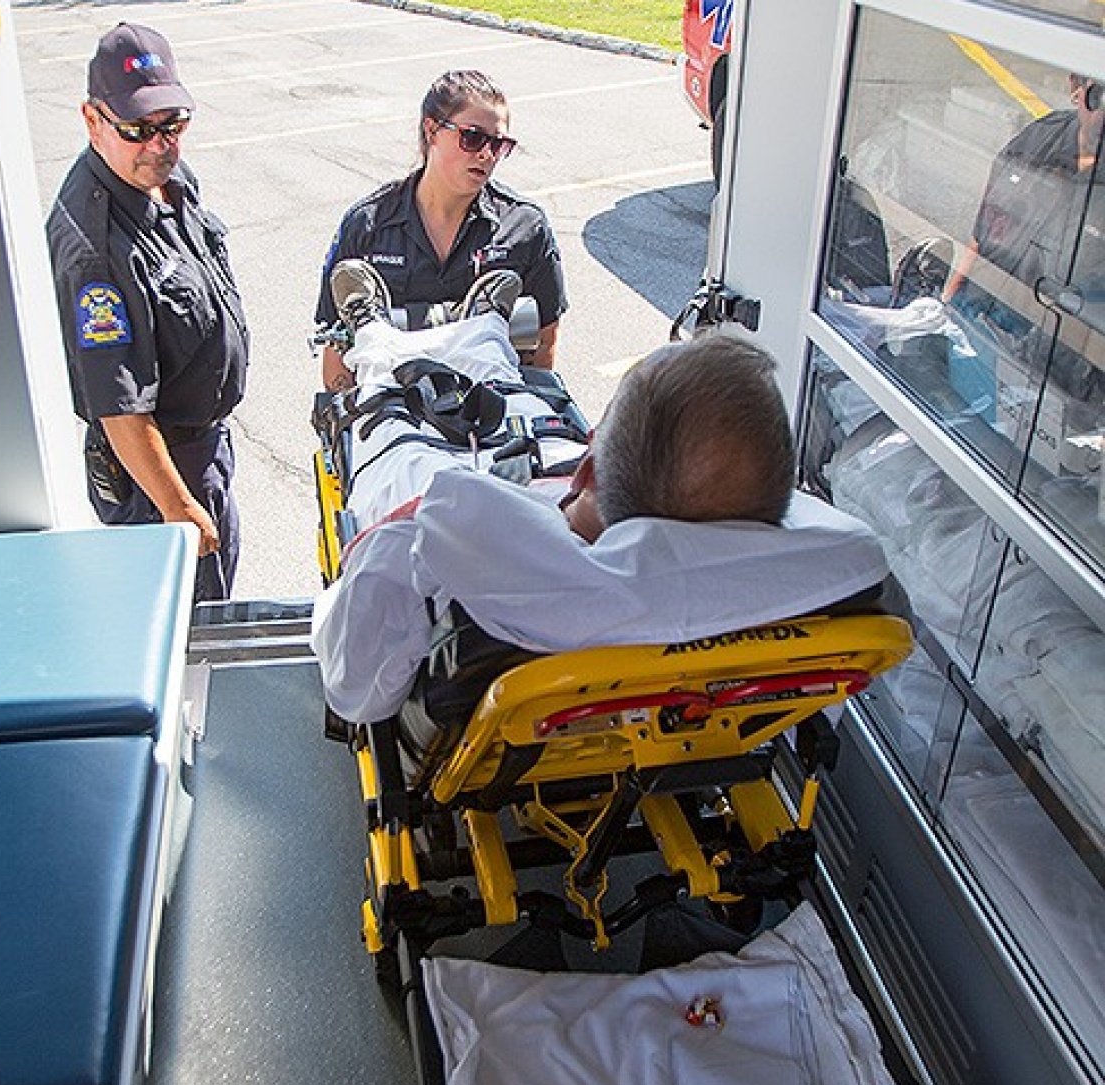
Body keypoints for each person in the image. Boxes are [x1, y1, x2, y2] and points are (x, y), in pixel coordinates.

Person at [311, 266, 890, 724]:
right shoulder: (825, 571)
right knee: (522, 405)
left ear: (590, 468)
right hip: (555, 477)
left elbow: (355, 692)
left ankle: (374, 339)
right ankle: (484, 327)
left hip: (467, 495)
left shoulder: (426, 532)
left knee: (395, 420)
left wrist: (391, 544)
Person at [47, 23, 249, 601]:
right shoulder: (97, 253)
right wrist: (177, 506)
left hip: (203, 450)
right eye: (137, 130)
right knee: (189, 633)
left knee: (216, 602)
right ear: (93, 121)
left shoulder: (165, 177)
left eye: (171, 125)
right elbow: (121, 412)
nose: (159, 144)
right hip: (158, 479)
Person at [314, 70, 567, 395]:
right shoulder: (368, 225)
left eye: (499, 144)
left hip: (488, 403)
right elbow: (337, 351)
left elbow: (543, 347)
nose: (486, 155)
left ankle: (481, 318)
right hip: (393, 409)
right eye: (473, 138)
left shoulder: (524, 227)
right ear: (432, 130)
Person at [942, 72, 1103, 413]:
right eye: (1097, 92)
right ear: (1077, 89)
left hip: (1058, 378)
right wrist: (947, 303)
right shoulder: (1037, 142)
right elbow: (980, 237)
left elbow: (1082, 288)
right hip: (981, 329)